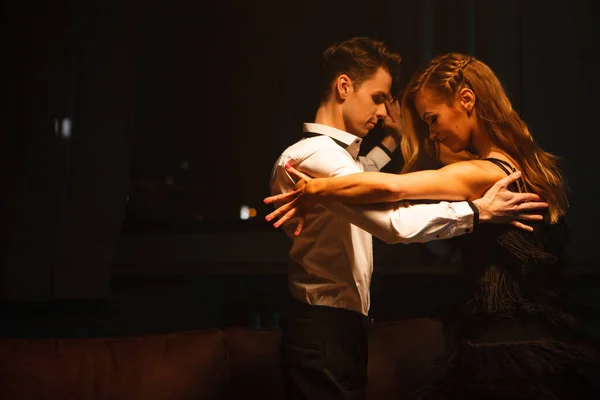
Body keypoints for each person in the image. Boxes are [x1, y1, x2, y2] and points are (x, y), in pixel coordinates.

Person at [266, 52, 599, 399]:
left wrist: (317, 187)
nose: (432, 132)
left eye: (433, 119)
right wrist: (394, 141)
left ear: (467, 100)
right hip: (526, 331)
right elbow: (378, 179)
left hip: (504, 339)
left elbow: (391, 191)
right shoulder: (518, 166)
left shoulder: (483, 174)